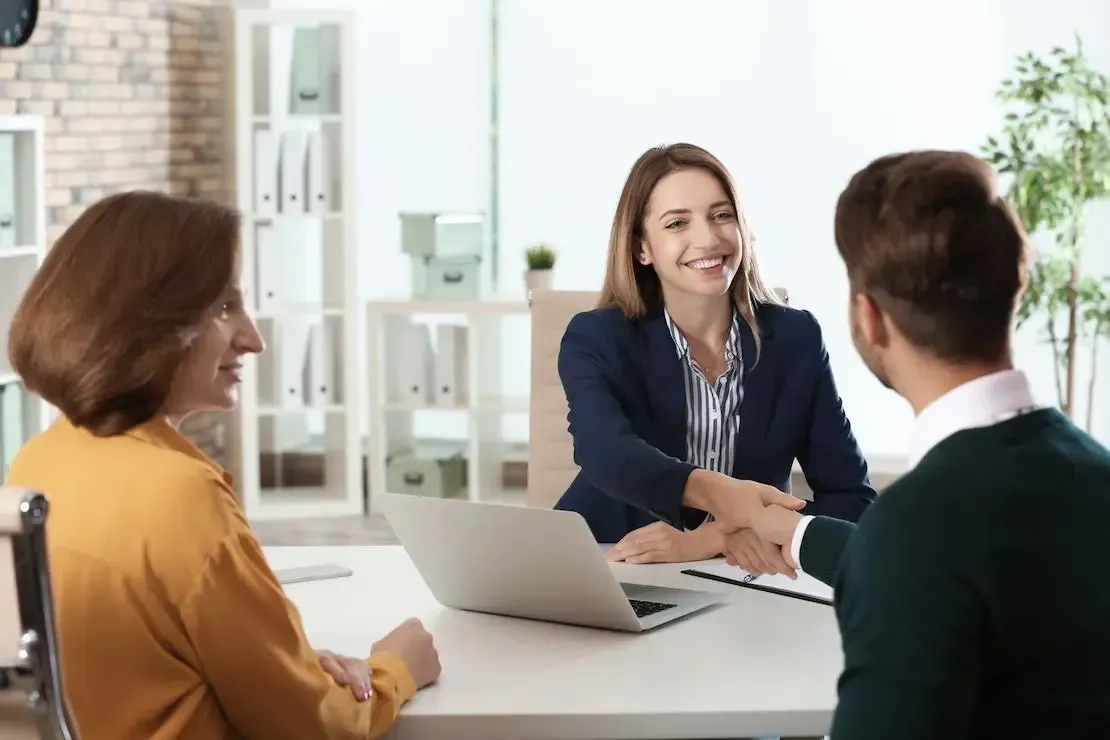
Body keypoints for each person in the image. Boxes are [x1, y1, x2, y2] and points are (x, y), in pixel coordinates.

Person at [5, 191, 441, 739]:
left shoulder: (38, 459)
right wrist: (396, 668)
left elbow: (134, 667)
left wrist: (291, 669)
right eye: (223, 307)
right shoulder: (182, 496)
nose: (253, 340)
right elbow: (317, 728)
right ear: (148, 322)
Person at [727, 150, 1110, 738]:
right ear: (1018, 283)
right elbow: (981, 571)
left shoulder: (917, 531)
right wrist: (801, 534)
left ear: (870, 319)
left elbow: (929, 559)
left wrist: (885, 549)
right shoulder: (1092, 473)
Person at [554, 142, 875, 569]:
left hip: (742, 575)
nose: (707, 238)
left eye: (721, 215)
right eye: (677, 224)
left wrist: (714, 537)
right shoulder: (596, 336)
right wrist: (719, 493)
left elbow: (852, 499)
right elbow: (605, 452)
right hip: (609, 564)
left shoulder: (795, 338)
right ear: (641, 249)